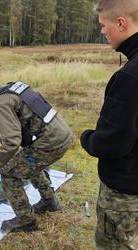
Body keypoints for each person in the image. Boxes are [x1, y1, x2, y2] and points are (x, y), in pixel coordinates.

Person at [0, 73, 73, 233]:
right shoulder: (12, 88)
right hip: (62, 135)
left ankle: (26, 221)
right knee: (27, 162)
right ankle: (49, 201)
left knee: (10, 175)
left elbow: (11, 142)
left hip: (50, 144)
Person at [80, 0, 138, 248]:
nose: (102, 31)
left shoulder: (129, 77)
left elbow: (111, 143)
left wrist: (87, 138)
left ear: (121, 23)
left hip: (125, 193)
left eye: (104, 25)